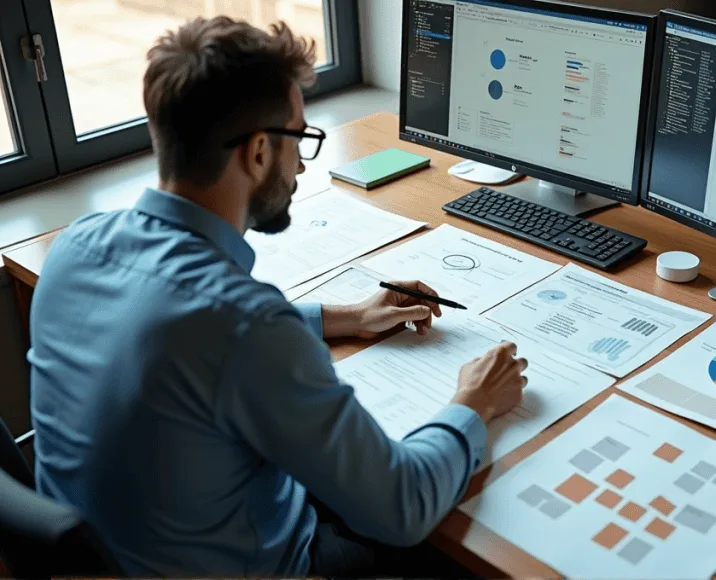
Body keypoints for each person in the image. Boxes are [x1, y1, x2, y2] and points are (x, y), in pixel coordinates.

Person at [27, 16, 527, 577]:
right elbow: (403, 507)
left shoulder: (74, 248)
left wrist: (347, 317)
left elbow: (177, 331)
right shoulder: (247, 326)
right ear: (259, 151)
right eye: (300, 138)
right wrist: (475, 402)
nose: (302, 163)